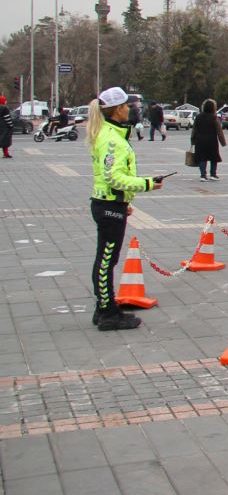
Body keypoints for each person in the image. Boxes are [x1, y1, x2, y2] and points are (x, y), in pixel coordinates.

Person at [87, 87, 164, 330]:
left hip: (111, 203)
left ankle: (105, 307)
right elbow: (113, 177)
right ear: (117, 109)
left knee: (107, 258)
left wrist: (126, 202)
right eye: (127, 106)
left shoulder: (113, 134)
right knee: (106, 260)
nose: (131, 109)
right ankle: (107, 313)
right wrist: (147, 184)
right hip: (108, 205)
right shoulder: (111, 139)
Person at [191, 99, 226, 181]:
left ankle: (203, 175)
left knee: (201, 158)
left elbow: (194, 130)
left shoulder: (198, 117)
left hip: (199, 140)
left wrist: (192, 141)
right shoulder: (214, 117)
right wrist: (223, 142)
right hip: (211, 140)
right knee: (214, 157)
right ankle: (213, 174)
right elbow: (219, 131)